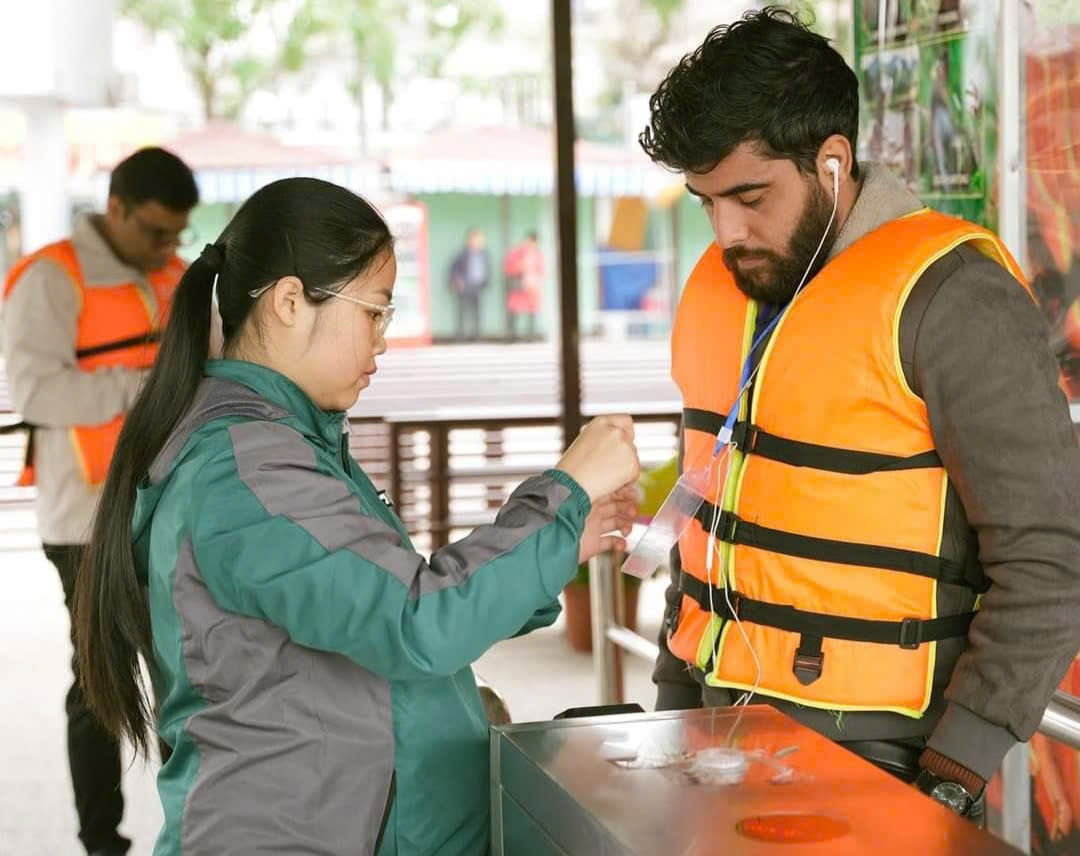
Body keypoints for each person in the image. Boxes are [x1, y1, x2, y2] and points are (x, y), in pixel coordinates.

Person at [73, 177, 640, 855]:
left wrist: (559, 546)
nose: (382, 339)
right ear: (289, 302)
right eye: (373, 312)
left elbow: (381, 599)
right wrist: (565, 493)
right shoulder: (244, 474)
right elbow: (413, 619)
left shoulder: (285, 443)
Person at [638, 7, 1080, 822]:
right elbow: (709, 508)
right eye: (705, 202)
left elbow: (1051, 558)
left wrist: (952, 772)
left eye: (749, 196)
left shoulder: (956, 300)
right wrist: (671, 701)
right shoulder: (725, 287)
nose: (727, 232)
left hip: (880, 762)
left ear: (833, 162)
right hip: (707, 735)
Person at [1, 146, 197, 856]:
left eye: (178, 233)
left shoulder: (174, 275)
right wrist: (147, 388)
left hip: (171, 504)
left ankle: (199, 830)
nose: (169, 248)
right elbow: (37, 394)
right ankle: (102, 844)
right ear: (115, 209)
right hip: (84, 520)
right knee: (100, 685)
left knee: (190, 668)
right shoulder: (51, 279)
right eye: (155, 232)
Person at [449, 226, 489, 340]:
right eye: (476, 239)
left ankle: (477, 335)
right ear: (469, 240)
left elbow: (487, 270)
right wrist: (457, 281)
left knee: (477, 311)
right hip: (464, 286)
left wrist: (485, 282)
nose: (479, 242)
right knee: (462, 311)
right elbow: (454, 268)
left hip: (477, 286)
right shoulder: (462, 253)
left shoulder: (484, 254)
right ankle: (461, 335)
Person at [504, 231, 544, 340]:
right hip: (518, 286)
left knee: (532, 311)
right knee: (514, 309)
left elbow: (541, 270)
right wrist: (520, 267)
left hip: (532, 287)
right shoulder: (516, 252)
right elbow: (508, 267)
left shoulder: (537, 254)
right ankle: (512, 335)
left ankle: (531, 335)